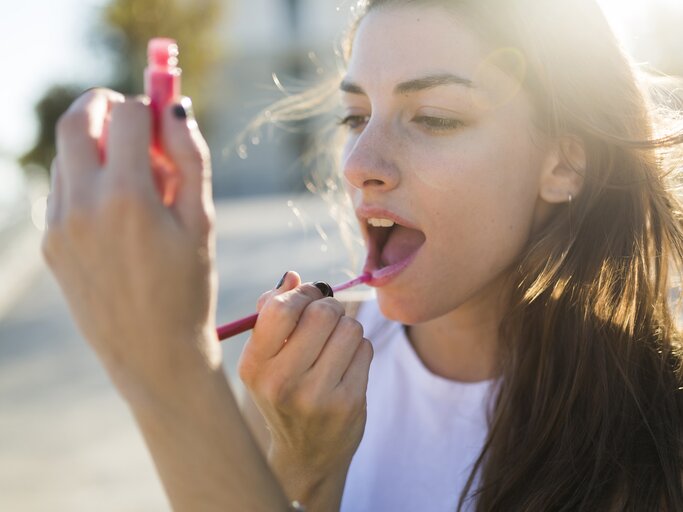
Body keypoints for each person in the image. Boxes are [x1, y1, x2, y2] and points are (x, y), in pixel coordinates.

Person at [43, 0, 683, 510]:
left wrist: (170, 373)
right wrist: (304, 473)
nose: (358, 166)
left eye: (433, 117)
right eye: (355, 117)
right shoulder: (298, 388)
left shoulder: (656, 424)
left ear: (564, 162)